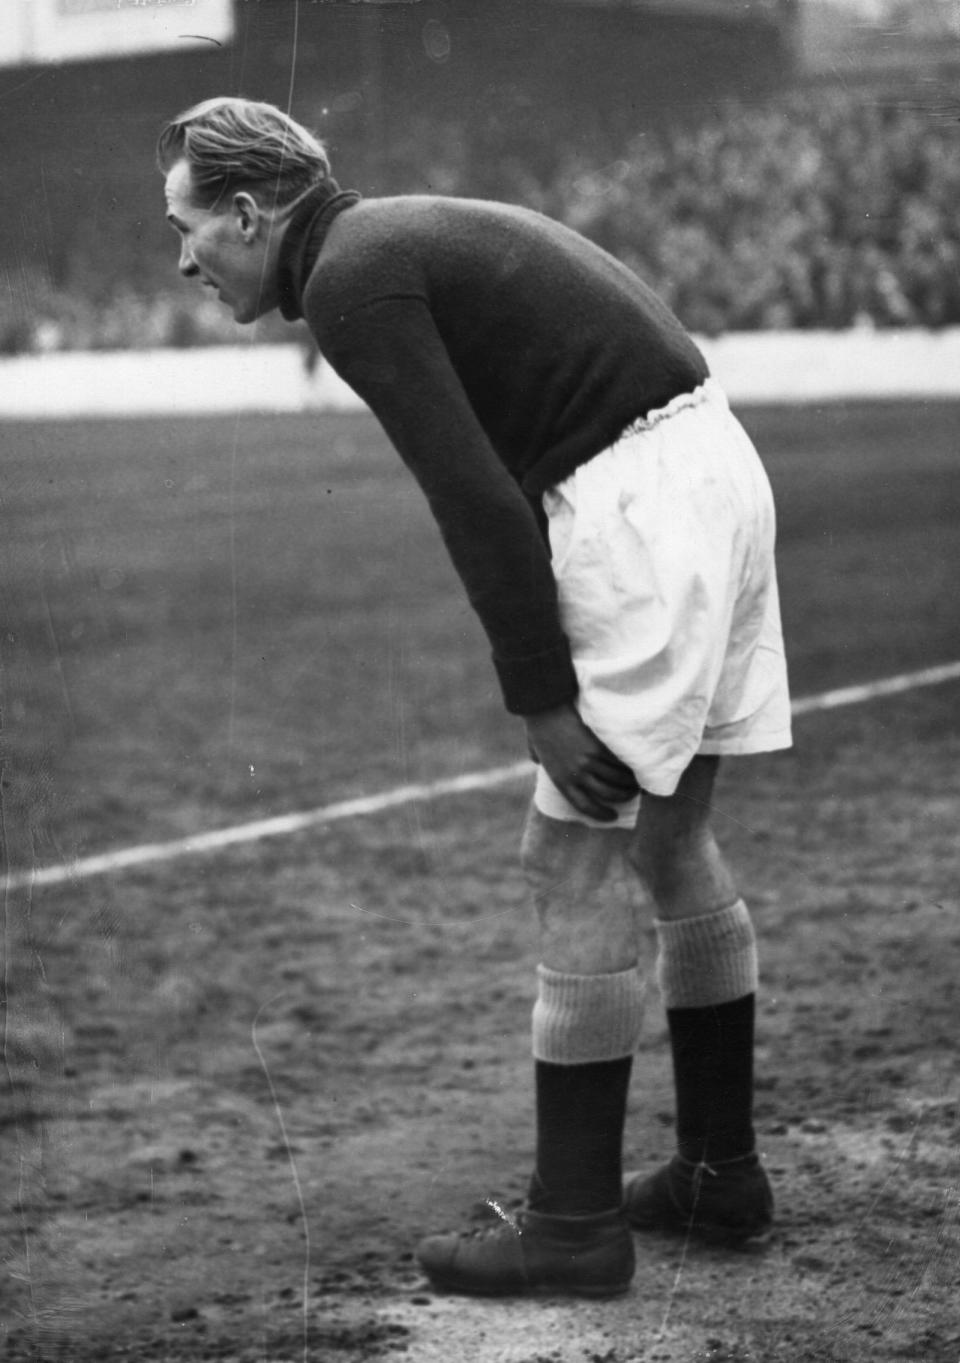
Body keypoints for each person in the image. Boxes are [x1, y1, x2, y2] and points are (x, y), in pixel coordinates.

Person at [158, 97, 792, 1298]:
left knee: (572, 859)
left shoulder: (351, 276)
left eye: (188, 227)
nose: (185, 258)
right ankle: (718, 1170)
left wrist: (542, 701)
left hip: (637, 506)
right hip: (713, 472)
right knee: (670, 837)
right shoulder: (381, 239)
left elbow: (482, 504)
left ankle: (572, 1230)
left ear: (250, 213)